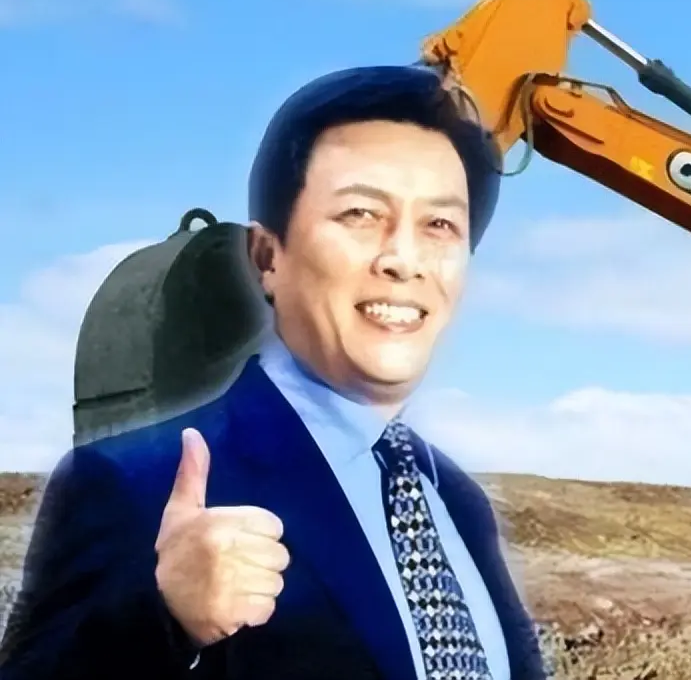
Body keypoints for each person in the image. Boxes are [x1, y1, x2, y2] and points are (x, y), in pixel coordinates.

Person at [0, 65, 546, 680]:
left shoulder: (460, 503)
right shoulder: (129, 484)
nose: (404, 259)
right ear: (268, 257)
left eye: (440, 225)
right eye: (361, 214)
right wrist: (163, 621)